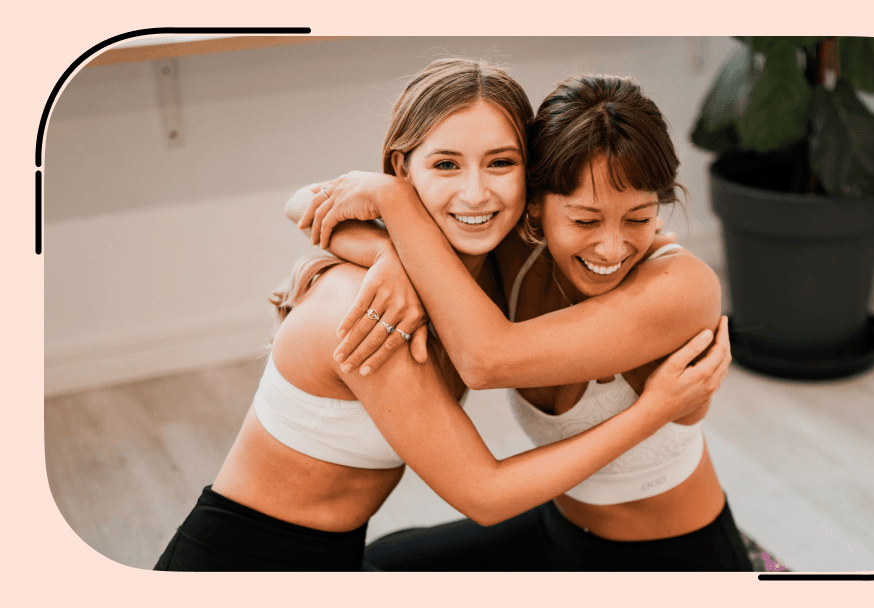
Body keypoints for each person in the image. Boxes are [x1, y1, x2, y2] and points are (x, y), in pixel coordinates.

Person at [154, 58, 731, 572]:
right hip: (245, 567)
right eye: (584, 220)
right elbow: (305, 200)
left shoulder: (544, 261)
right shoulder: (380, 303)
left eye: (638, 217)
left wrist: (392, 221)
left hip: (667, 555)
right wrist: (389, 228)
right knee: (392, 559)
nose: (476, 194)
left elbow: (485, 354)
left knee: (392, 557)